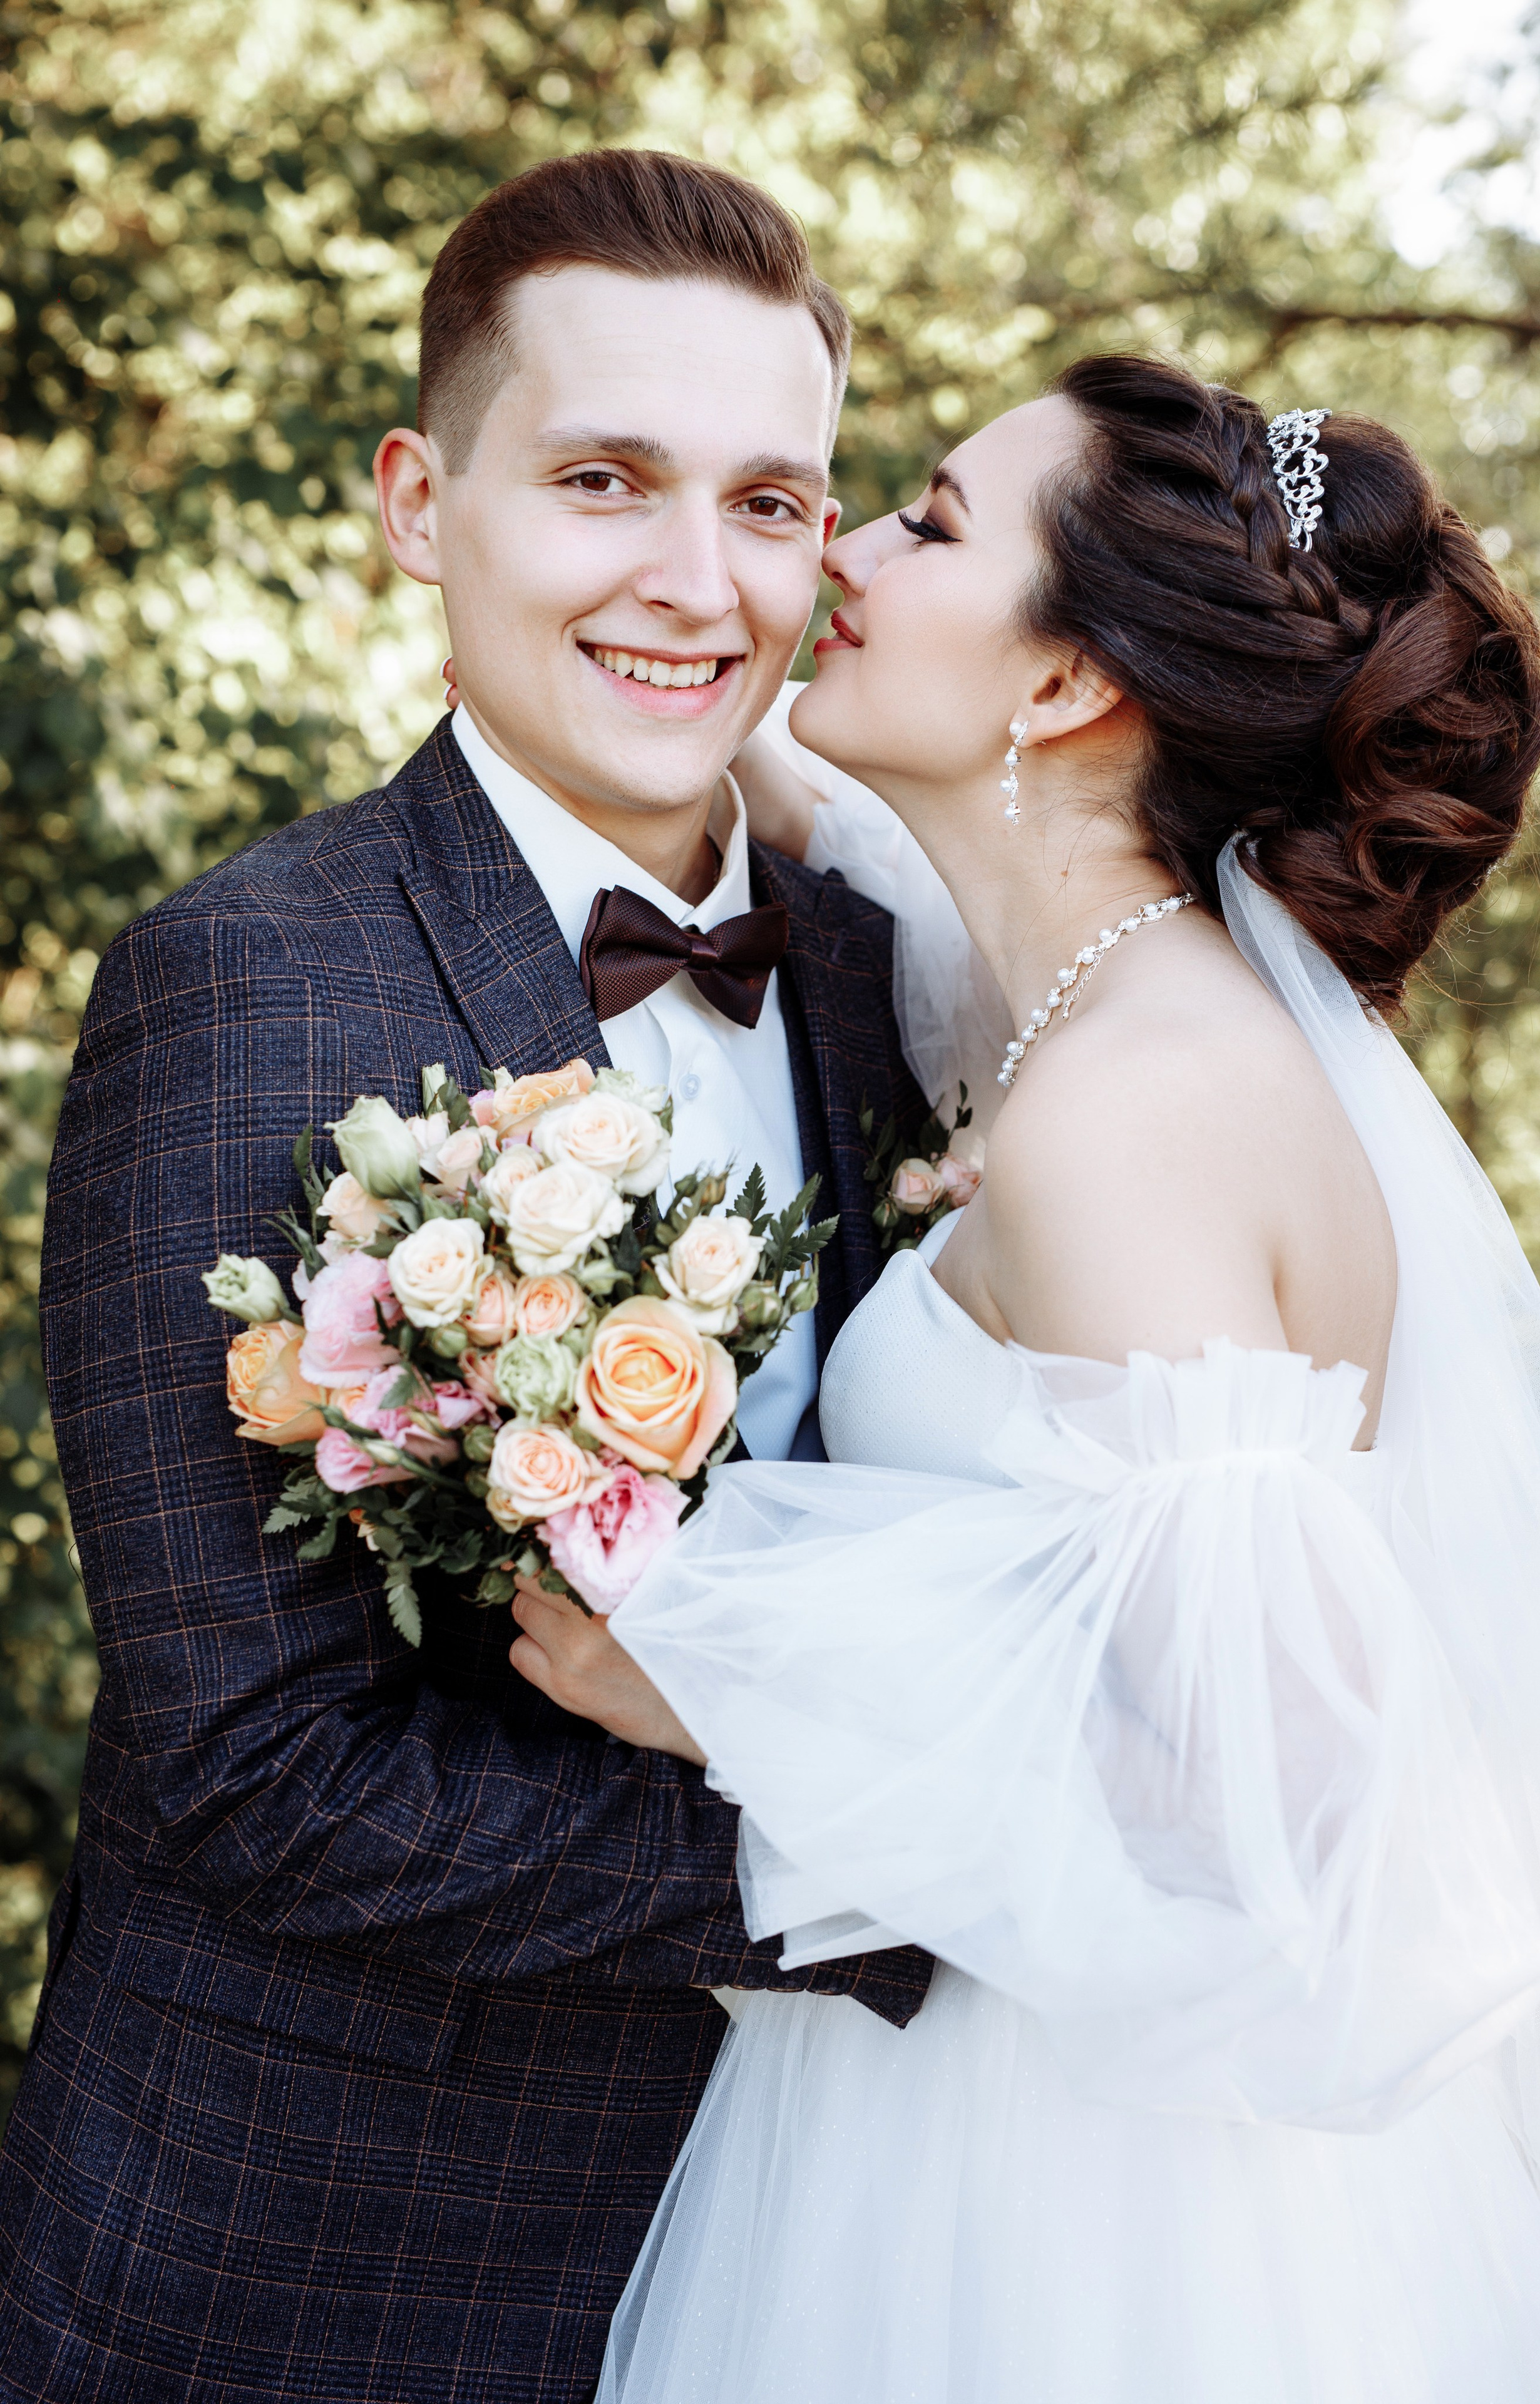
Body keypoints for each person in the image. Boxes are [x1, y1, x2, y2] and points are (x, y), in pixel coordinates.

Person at [504, 357, 1540, 2400]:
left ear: (1065, 688)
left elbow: (1276, 1814)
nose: (838, 552)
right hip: (990, 2093)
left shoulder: (1135, 1112)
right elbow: (860, 833)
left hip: (1119, 2225)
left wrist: (728, 1675)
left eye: (923, 525)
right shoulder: (1062, 982)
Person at [0, 150, 932, 2404]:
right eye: (604, 479)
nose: (694, 584)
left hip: (810, 2245)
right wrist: (893, 1875)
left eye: (774, 504)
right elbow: (260, 1769)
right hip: (305, 2271)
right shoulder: (243, 984)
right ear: (427, 503)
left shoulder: (895, 988)